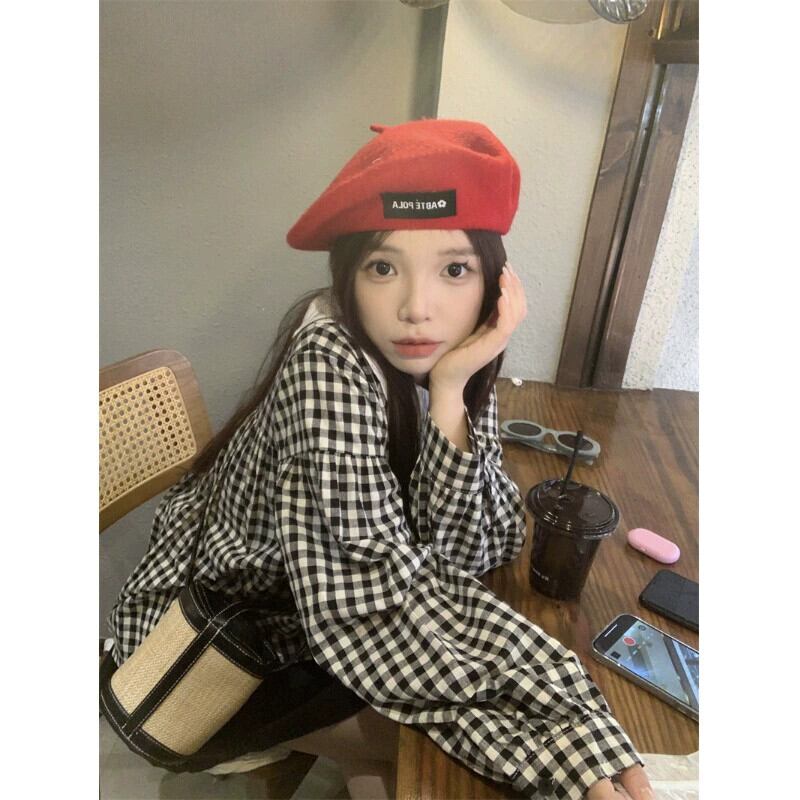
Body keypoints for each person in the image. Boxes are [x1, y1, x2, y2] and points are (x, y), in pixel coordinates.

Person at [103, 119, 654, 800]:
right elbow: (366, 604)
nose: (417, 308)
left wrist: (450, 393)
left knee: (451, 743)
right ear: (349, 276)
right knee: (438, 755)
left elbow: (472, 549)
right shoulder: (328, 363)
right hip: (213, 648)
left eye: (454, 270)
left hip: (315, 611)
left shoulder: (452, 358)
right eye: (383, 268)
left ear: (494, 284)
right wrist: (557, 718)